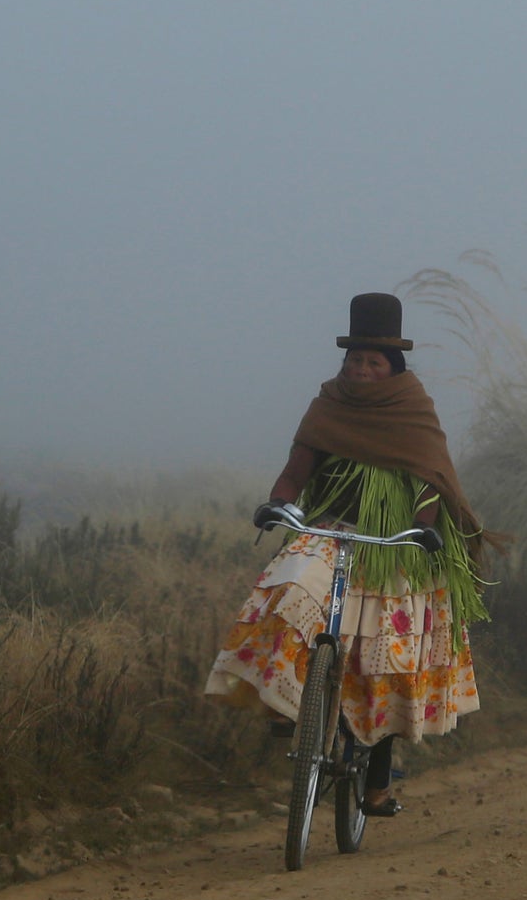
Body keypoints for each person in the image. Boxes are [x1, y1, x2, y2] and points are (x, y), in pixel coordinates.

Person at [205, 292, 492, 817]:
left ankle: (378, 782)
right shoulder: (327, 406)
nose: (360, 369)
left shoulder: (413, 410)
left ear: (393, 369)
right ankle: (292, 702)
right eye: (353, 360)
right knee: (291, 589)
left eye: (372, 362)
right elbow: (297, 470)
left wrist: (423, 529)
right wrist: (279, 503)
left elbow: (429, 482)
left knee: (385, 657)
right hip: (330, 530)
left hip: (395, 540)